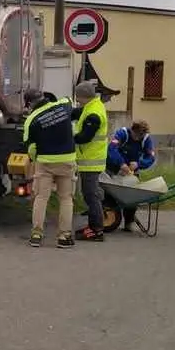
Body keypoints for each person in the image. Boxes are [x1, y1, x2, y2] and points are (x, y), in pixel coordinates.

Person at [22, 89, 79, 248]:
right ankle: (64, 237)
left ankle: (36, 235)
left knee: (41, 197)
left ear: (30, 104)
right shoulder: (64, 105)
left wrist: (36, 160)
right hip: (67, 160)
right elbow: (69, 100)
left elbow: (31, 147)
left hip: (45, 162)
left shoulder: (31, 120)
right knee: (66, 198)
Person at [72, 80, 109, 242]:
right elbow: (76, 113)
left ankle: (96, 230)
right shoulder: (93, 106)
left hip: (91, 161)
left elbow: (84, 138)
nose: (77, 101)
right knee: (91, 195)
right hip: (90, 160)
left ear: (84, 96)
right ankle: (94, 226)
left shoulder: (94, 115)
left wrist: (68, 137)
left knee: (90, 196)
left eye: (78, 98)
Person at [106, 119, 157, 232]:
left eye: (141, 136)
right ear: (132, 130)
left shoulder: (146, 139)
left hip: (131, 170)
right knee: (110, 194)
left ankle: (129, 222)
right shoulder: (122, 134)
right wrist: (121, 163)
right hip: (114, 168)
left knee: (132, 197)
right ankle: (109, 216)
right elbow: (111, 149)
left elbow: (151, 157)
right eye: (136, 135)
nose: (138, 138)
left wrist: (139, 164)